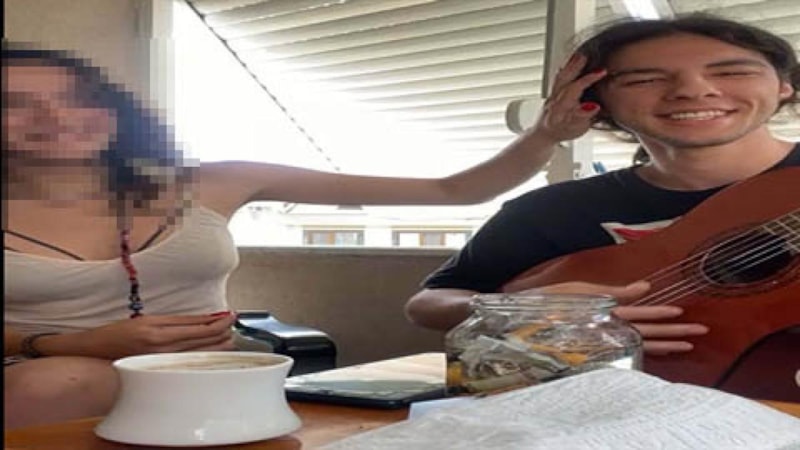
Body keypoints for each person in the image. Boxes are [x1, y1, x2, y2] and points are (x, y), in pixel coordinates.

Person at [1, 40, 603, 429]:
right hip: (34, 376)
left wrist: (546, 134)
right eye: (17, 103)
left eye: (77, 98)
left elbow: (455, 191)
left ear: (112, 110)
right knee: (62, 381)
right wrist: (66, 343)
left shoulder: (214, 182)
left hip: (215, 370)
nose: (56, 117)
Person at [406, 14, 799, 391]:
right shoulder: (554, 210)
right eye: (645, 79)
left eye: (732, 72)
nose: (693, 90)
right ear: (595, 102)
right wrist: (521, 310)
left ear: (784, 86)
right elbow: (429, 303)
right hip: (598, 408)